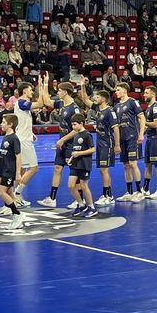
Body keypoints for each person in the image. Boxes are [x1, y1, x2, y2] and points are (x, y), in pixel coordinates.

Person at [38, 79, 84, 208]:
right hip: (62, 141)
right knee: (57, 168)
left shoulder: (74, 108)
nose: (58, 92)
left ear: (66, 92)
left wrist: (63, 139)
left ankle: (80, 200)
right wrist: (44, 85)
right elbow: (47, 101)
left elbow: (78, 130)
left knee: (74, 172)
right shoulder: (62, 104)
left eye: (59, 90)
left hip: (71, 143)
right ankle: (52, 198)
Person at [0, 113, 25, 232]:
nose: (1, 124)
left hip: (10, 170)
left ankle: (17, 214)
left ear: (10, 124)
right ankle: (17, 218)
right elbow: (5, 151)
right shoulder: (6, 137)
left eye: (3, 122)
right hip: (4, 168)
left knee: (1, 192)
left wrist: (18, 173)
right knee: (10, 194)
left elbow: (18, 156)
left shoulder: (14, 138)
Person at [65, 113, 98, 218]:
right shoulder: (76, 135)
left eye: (75, 124)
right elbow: (75, 150)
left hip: (84, 164)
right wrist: (70, 159)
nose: (73, 127)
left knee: (84, 186)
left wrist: (79, 153)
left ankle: (91, 207)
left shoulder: (87, 135)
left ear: (81, 123)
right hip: (75, 164)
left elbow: (92, 149)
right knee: (71, 185)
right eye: (72, 125)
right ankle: (81, 204)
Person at [11, 81, 39, 204]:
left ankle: (15, 197)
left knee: (21, 170)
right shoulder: (22, 102)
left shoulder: (21, 104)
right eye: (30, 89)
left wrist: (30, 132)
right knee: (34, 168)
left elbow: (22, 121)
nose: (32, 91)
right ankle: (17, 193)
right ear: (24, 91)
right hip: (23, 141)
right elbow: (41, 103)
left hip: (22, 137)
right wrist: (43, 87)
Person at [94, 89, 120, 206]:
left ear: (104, 99)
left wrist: (117, 145)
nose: (95, 99)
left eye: (98, 97)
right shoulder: (98, 110)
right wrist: (83, 86)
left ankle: (107, 196)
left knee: (104, 170)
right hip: (99, 143)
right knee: (102, 170)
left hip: (107, 143)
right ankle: (107, 194)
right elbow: (85, 100)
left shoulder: (110, 111)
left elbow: (116, 129)